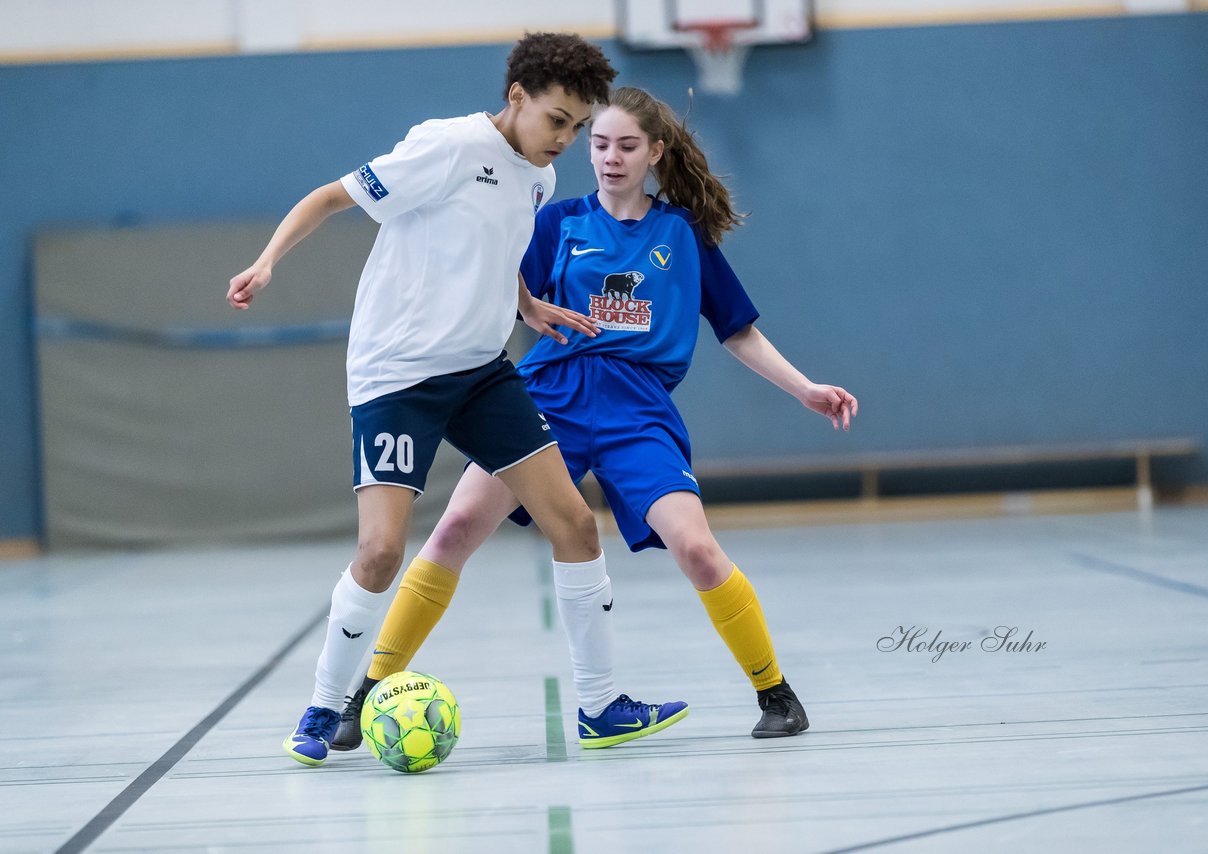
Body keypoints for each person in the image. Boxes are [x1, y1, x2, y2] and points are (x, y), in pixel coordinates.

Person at [331, 86, 857, 750]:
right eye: (599, 143)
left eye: (626, 146)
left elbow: (737, 330)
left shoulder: (681, 236)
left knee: (695, 547)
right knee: (455, 528)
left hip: (638, 411)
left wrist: (804, 387)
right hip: (548, 397)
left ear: (655, 152)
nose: (609, 157)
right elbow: (494, 281)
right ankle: (366, 692)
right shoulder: (556, 222)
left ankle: (776, 692)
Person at [227, 35, 685, 768]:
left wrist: (528, 305)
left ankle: (600, 708)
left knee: (574, 524)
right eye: (557, 120)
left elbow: (491, 253)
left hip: (480, 372)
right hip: (398, 377)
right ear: (516, 99)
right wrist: (266, 261)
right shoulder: (446, 148)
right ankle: (321, 708)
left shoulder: (537, 177)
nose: (566, 140)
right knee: (379, 553)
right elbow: (329, 197)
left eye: (576, 126)